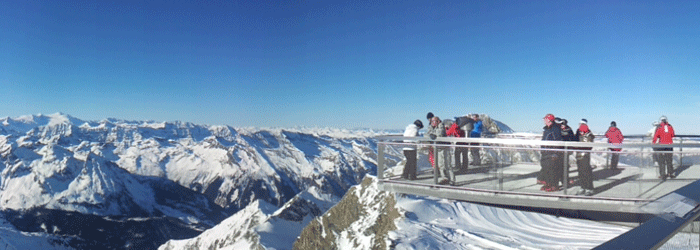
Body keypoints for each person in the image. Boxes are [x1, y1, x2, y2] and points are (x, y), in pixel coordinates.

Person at [425, 116, 453, 185]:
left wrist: (432, 134)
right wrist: (430, 135)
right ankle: (444, 178)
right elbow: (426, 135)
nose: (432, 123)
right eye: (431, 121)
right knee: (440, 165)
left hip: (445, 148)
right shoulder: (431, 127)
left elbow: (439, 134)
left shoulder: (441, 126)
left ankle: (452, 180)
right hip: (438, 148)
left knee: (447, 165)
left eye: (433, 121)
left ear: (438, 121)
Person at [540, 114, 563, 192]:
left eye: (545, 119)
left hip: (551, 153)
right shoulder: (546, 129)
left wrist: (555, 153)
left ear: (549, 120)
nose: (544, 121)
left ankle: (554, 185)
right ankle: (548, 184)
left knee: (552, 169)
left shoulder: (555, 128)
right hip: (545, 152)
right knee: (546, 169)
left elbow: (558, 141)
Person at [575, 122, 595, 195]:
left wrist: (579, 146)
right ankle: (583, 187)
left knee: (586, 172)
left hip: (585, 156)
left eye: (582, 132)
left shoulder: (589, 136)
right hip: (579, 155)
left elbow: (588, 146)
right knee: (580, 172)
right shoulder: (579, 135)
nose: (581, 133)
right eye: (580, 132)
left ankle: (589, 188)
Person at [653, 116, 675, 180]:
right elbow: (673, 135)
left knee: (661, 161)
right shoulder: (670, 126)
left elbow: (656, 136)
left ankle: (662, 175)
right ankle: (670, 173)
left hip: (661, 145)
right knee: (669, 160)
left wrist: (654, 143)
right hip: (669, 145)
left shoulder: (659, 127)